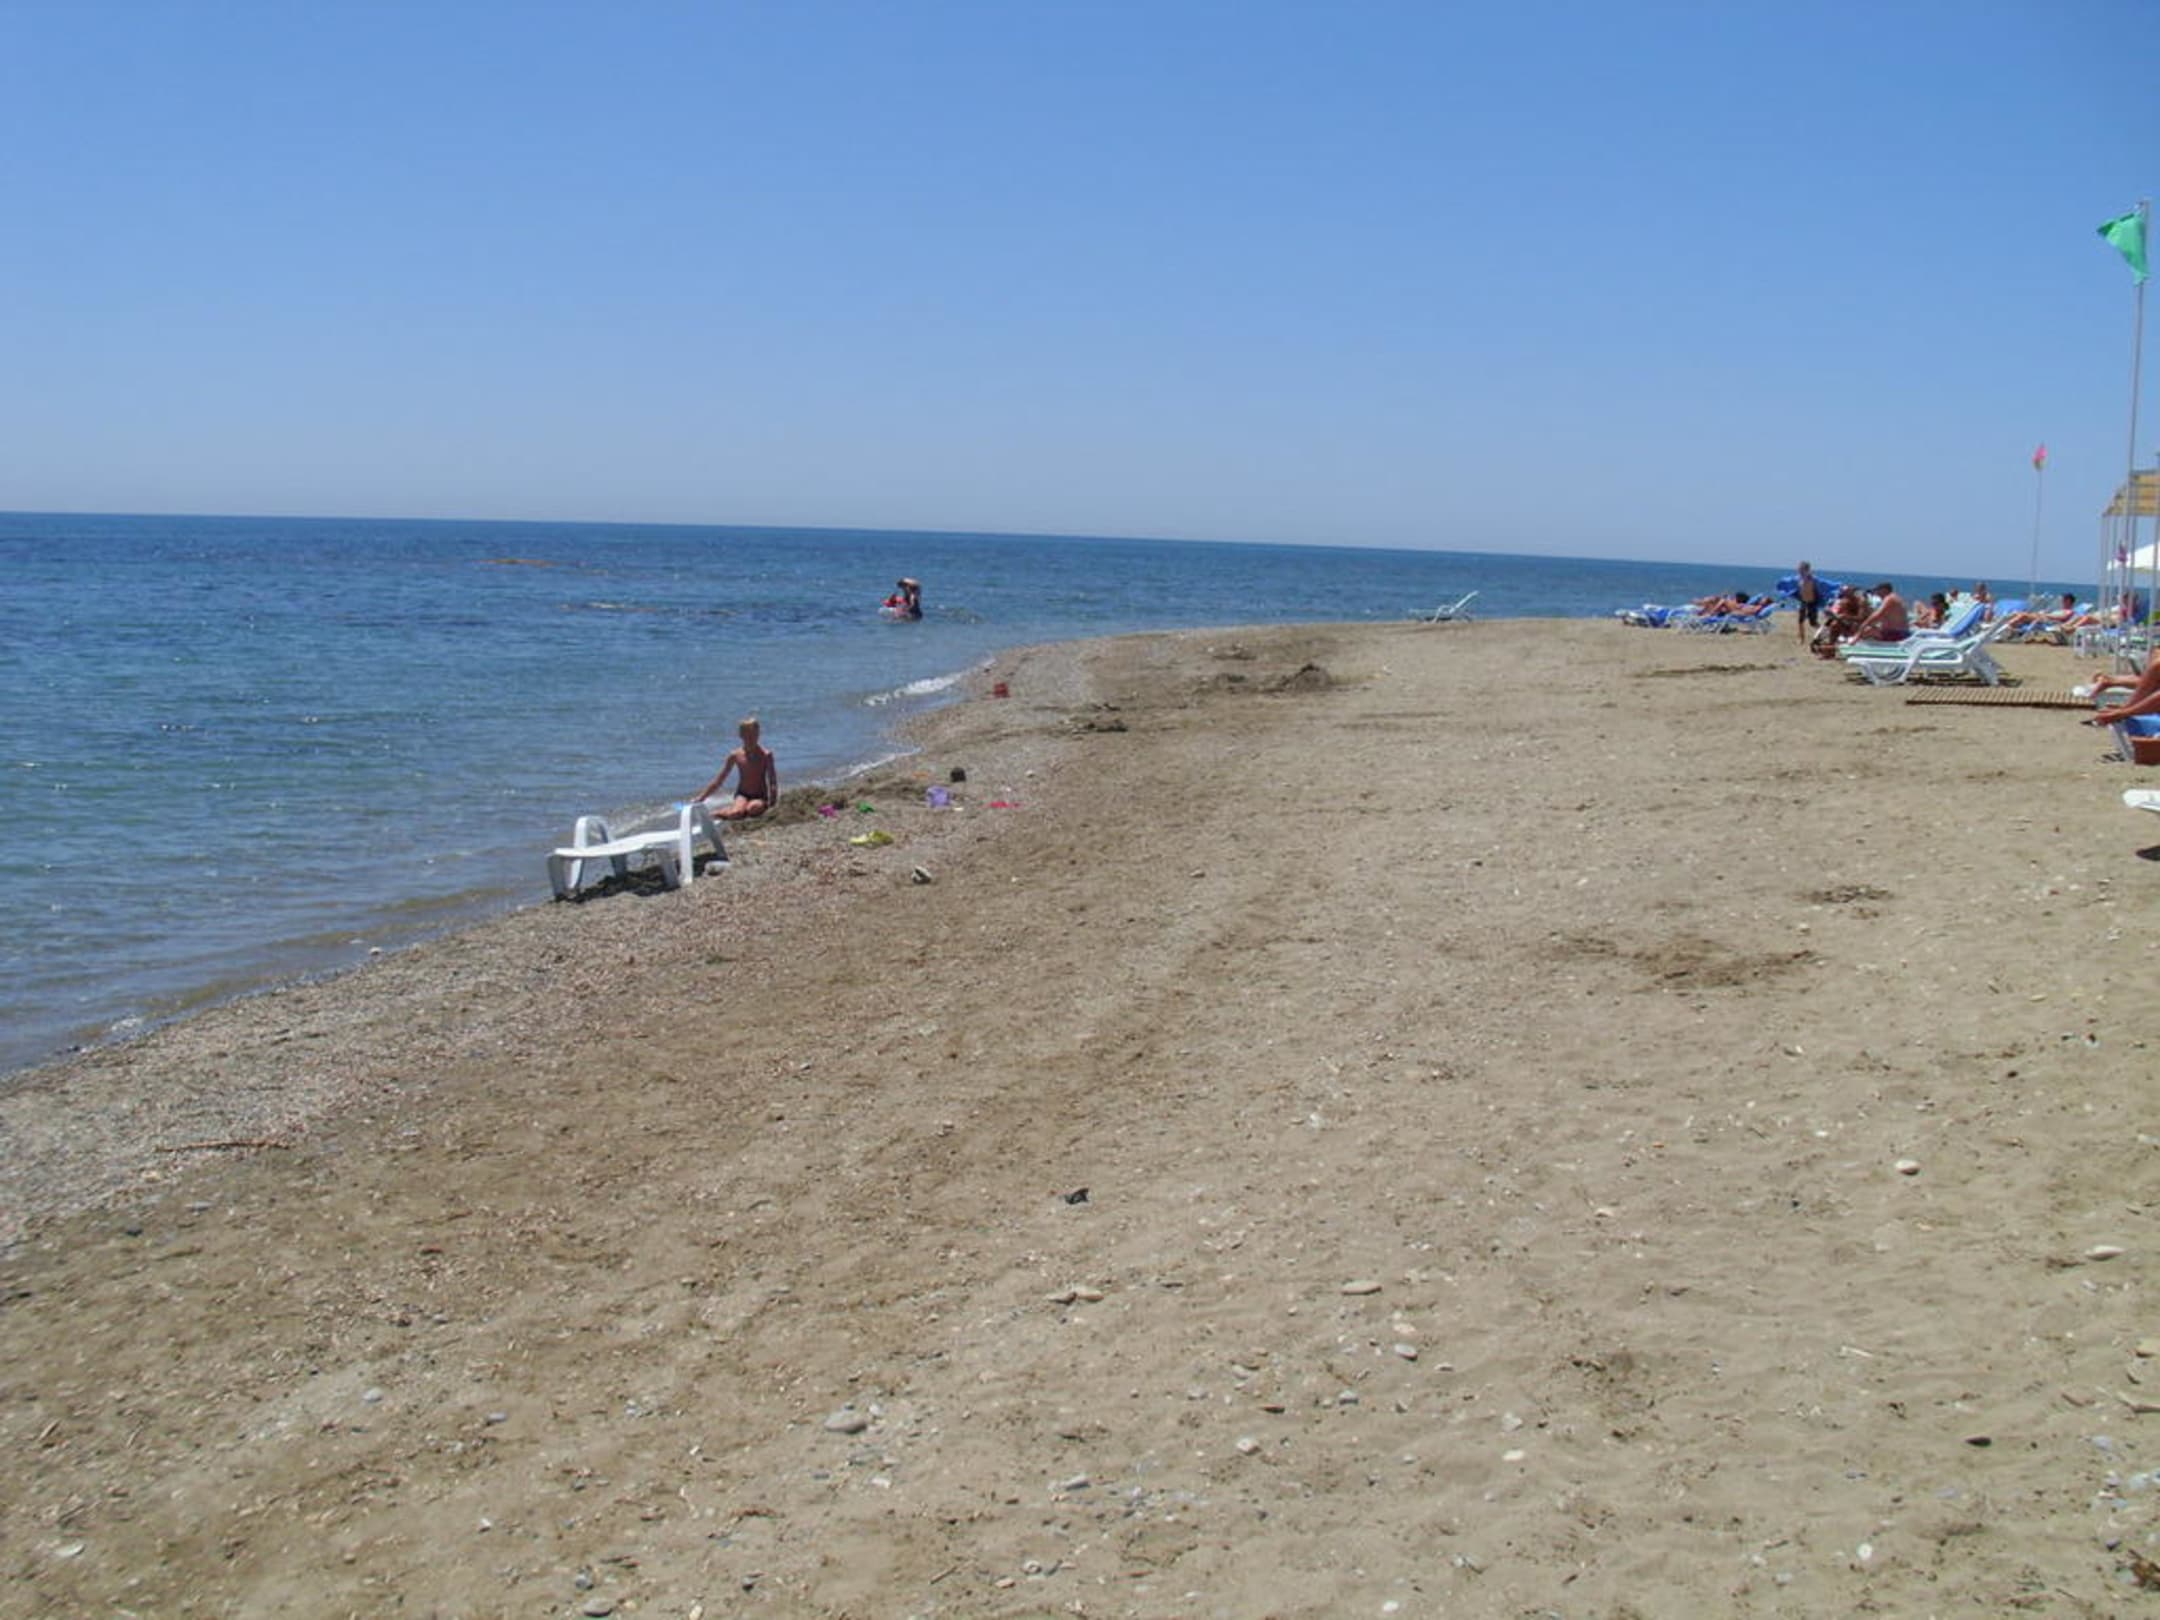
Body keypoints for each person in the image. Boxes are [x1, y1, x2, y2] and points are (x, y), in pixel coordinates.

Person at [694, 716, 778, 820]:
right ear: (741, 736)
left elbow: (772, 780)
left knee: (753, 808)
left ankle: (738, 810)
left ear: (758, 734)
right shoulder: (736, 755)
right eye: (748, 735)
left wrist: (773, 801)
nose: (751, 739)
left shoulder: (766, 755)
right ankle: (717, 813)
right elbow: (719, 780)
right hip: (742, 795)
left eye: (754, 735)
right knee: (737, 813)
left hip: (760, 796)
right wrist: (702, 797)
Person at [1810, 583, 1870, 657]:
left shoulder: (1861, 602)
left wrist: (1845, 616)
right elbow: (1840, 615)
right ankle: (1830, 650)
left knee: (1836, 625)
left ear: (1852, 592)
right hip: (1849, 623)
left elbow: (1861, 618)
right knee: (1834, 624)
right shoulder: (1844, 601)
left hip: (1860, 625)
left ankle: (1829, 649)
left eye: (1847, 593)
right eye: (1844, 593)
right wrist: (1832, 614)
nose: (1845, 595)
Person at [1793, 562, 1824, 645]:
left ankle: (1822, 631)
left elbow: (1820, 589)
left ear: (1806, 570)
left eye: (1800, 569)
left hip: (1812, 603)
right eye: (1799, 569)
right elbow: (1797, 589)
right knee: (1800, 621)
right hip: (1803, 602)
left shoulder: (1813, 579)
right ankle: (1801, 639)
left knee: (1813, 623)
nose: (1798, 570)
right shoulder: (1799, 579)